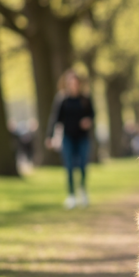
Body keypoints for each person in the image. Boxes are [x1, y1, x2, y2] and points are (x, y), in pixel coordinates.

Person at [46, 70, 95, 209]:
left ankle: (83, 191)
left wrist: (88, 121)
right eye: (71, 83)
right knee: (68, 166)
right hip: (67, 137)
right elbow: (54, 118)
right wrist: (49, 136)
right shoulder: (62, 100)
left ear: (79, 84)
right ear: (67, 84)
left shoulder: (85, 99)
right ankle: (71, 195)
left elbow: (92, 114)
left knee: (83, 166)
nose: (73, 85)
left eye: (76, 83)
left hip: (82, 138)